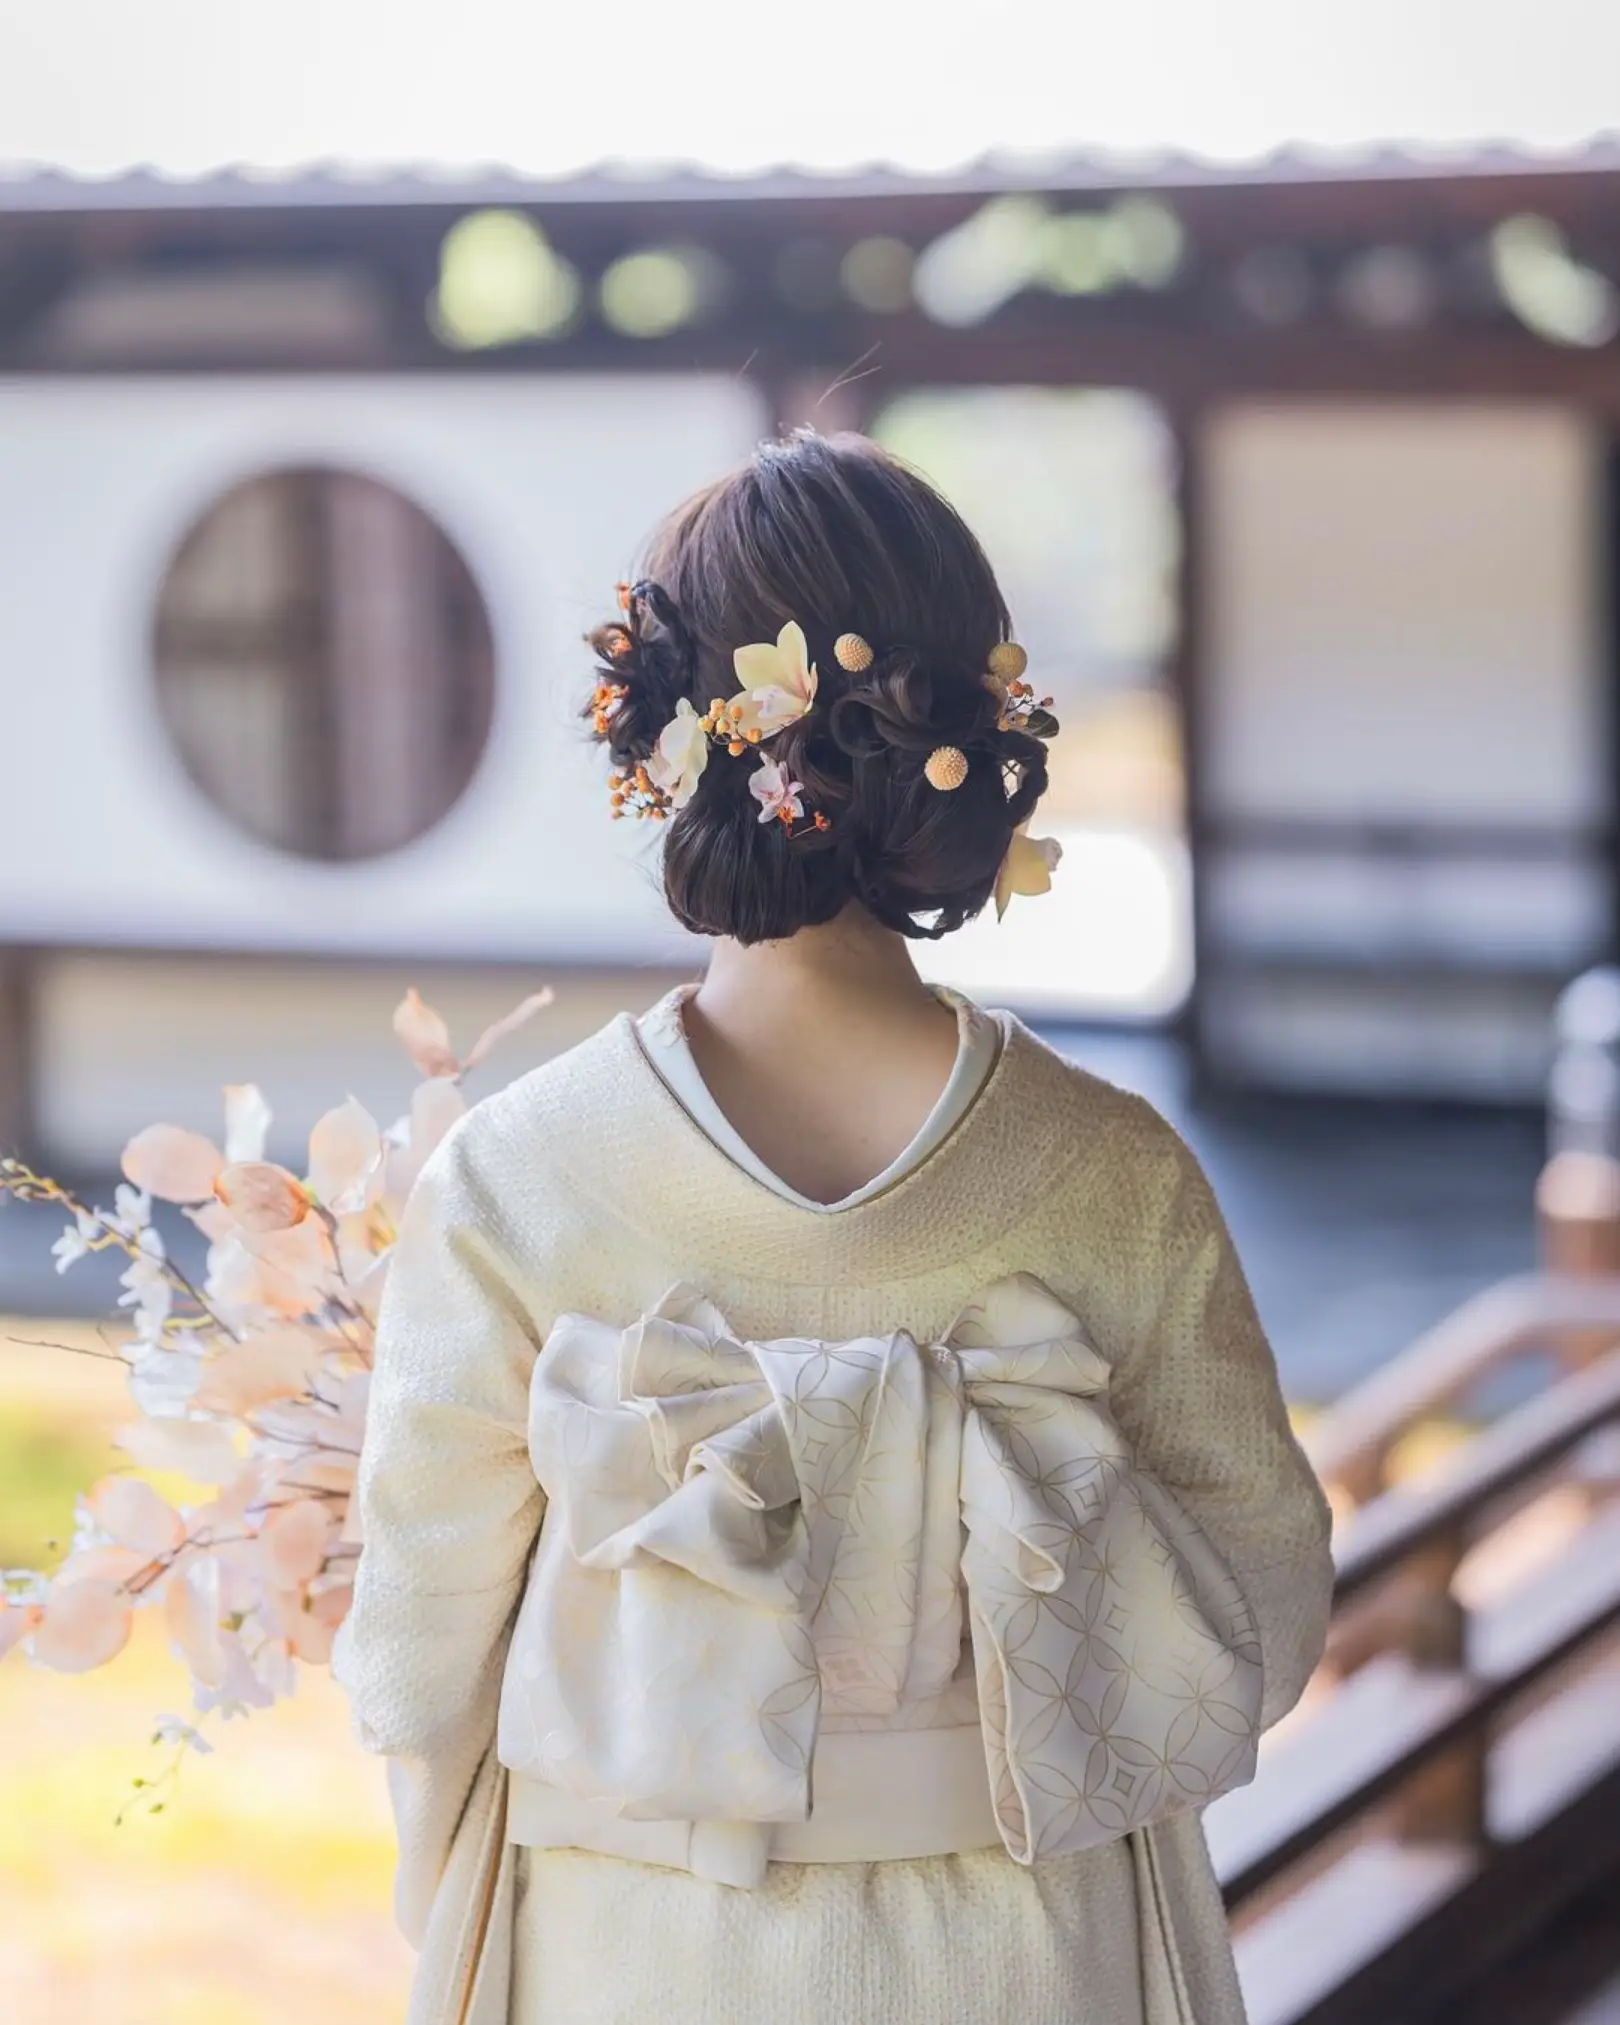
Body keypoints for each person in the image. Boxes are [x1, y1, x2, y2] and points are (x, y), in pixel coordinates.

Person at [336, 430, 1334, 2025]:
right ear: (971, 722)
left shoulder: (518, 1180)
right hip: (1026, 1947)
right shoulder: (1113, 1172)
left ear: (662, 740)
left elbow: (419, 1660)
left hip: (635, 1949)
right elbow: (1261, 1609)